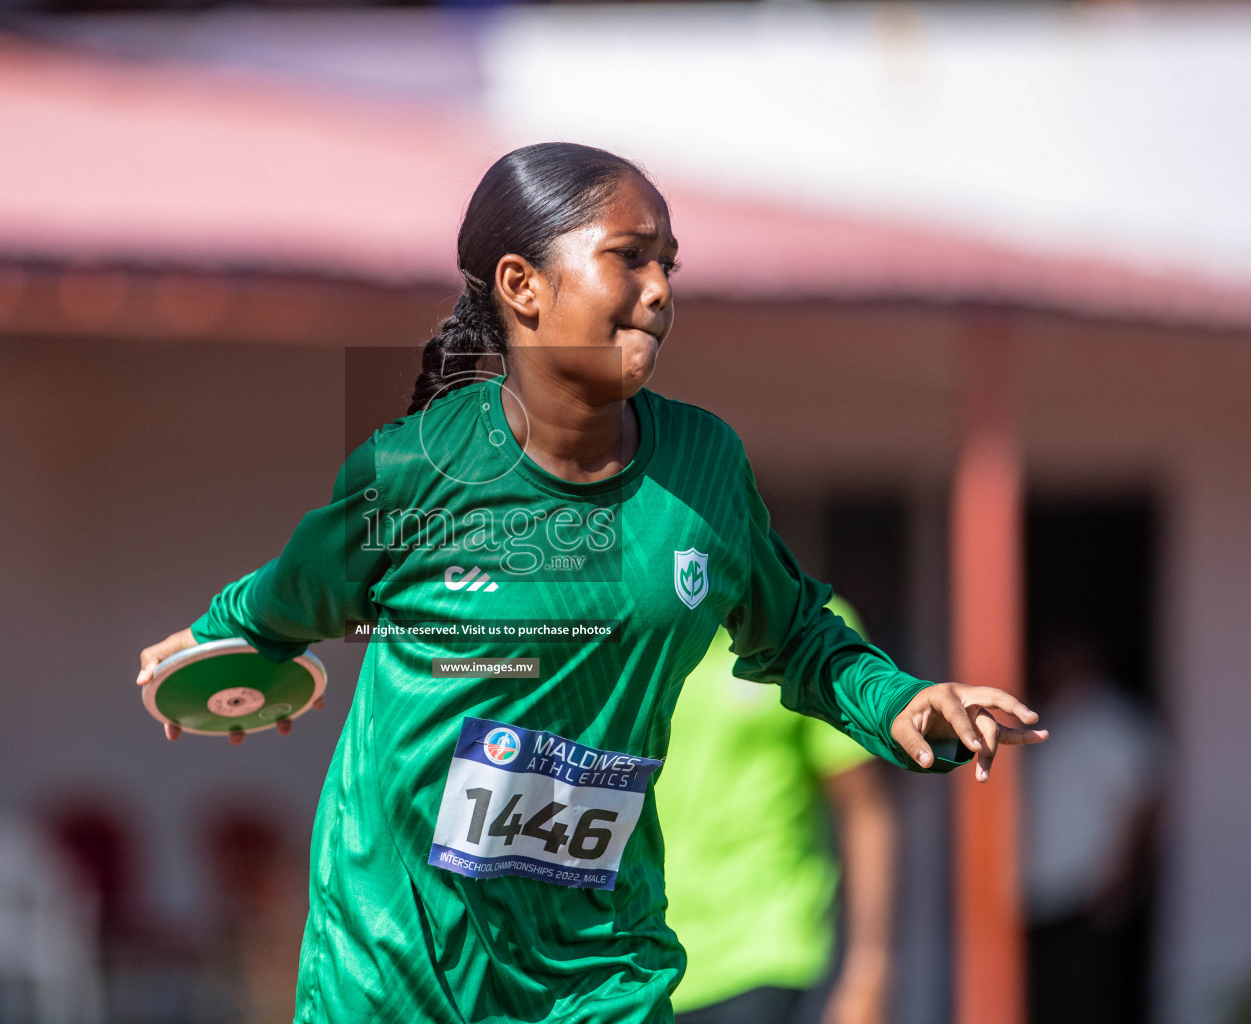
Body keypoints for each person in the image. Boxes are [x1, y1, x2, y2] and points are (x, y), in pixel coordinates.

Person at [136, 142, 1046, 1024]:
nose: (659, 292)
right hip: (399, 958)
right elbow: (293, 595)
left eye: (669, 266)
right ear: (521, 285)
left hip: (598, 968)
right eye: (629, 258)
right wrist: (219, 647)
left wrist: (898, 702)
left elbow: (799, 632)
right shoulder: (415, 469)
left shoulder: (704, 470)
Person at [660, 600, 896, 1024]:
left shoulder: (806, 624)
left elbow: (863, 810)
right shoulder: (641, 624)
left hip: (762, 943)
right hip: (645, 948)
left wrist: (869, 971)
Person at [1023, 633, 1163, 1024]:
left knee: (1084, 999)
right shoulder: (1035, 713)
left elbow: (1146, 803)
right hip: (1030, 894)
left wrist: (1123, 878)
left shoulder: (1114, 722)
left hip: (1085, 893)